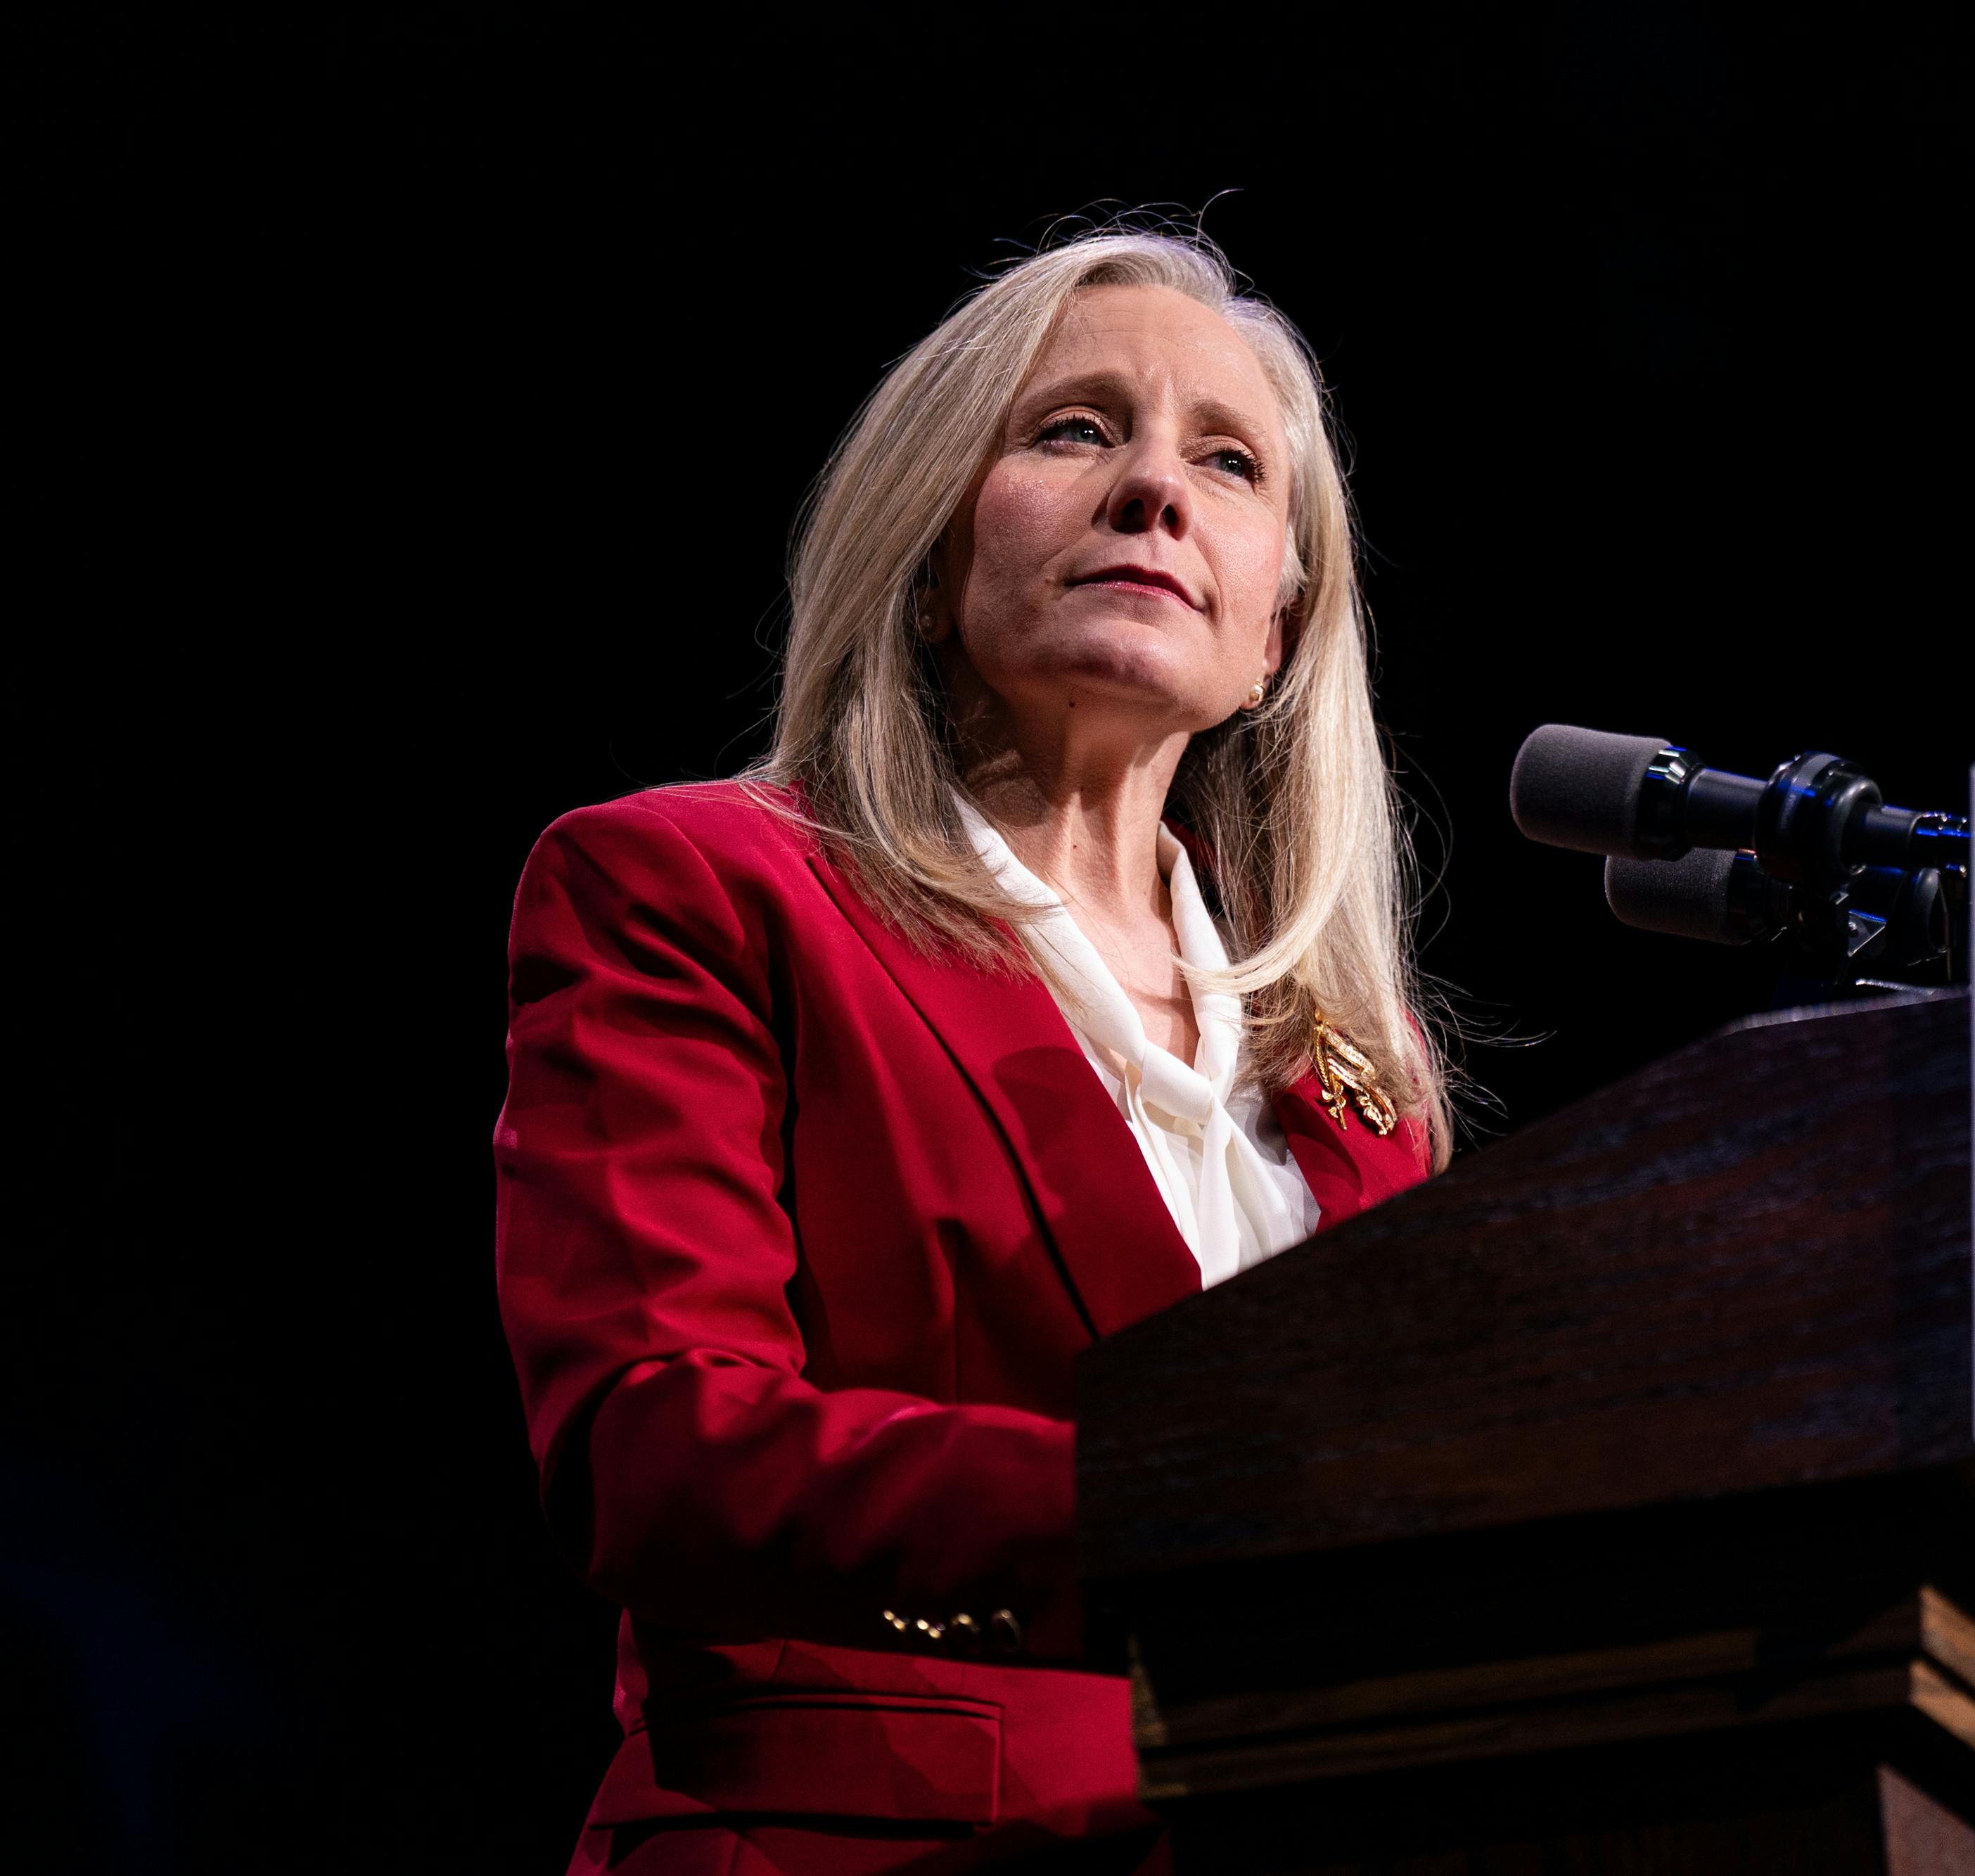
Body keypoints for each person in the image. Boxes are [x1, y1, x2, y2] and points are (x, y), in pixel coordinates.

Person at [495, 226, 1449, 1876]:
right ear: (932, 548)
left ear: (1273, 637)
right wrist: (1175, 1498)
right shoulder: (697, 888)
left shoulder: (1362, 1090)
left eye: (1226, 462)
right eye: (1075, 429)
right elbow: (659, 1446)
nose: (1155, 489)